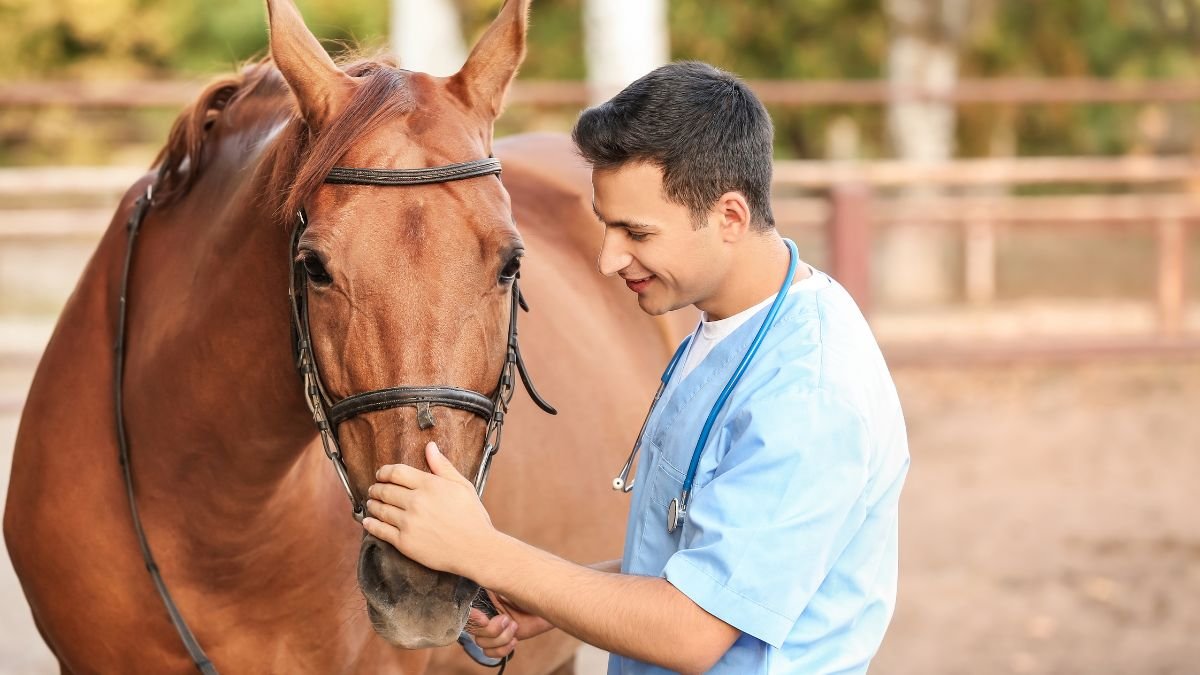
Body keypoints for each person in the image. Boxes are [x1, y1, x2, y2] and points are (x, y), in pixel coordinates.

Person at [361, 61, 910, 674]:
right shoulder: (732, 324)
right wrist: (551, 597)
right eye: (606, 226)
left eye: (637, 233)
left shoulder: (808, 396)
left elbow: (692, 631)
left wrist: (485, 553)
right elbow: (714, 549)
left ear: (729, 218)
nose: (608, 259)